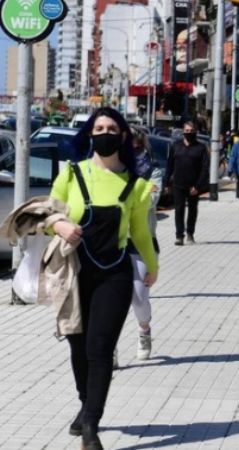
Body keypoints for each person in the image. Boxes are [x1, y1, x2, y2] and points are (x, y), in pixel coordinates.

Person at [50, 107, 158, 449]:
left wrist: (152, 266)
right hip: (74, 274)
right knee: (78, 346)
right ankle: (85, 403)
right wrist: (60, 224)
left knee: (100, 348)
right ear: (90, 134)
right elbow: (45, 213)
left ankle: (91, 426)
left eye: (112, 127)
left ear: (123, 135)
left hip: (115, 275)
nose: (105, 132)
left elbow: (140, 232)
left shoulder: (136, 185)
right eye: (99, 127)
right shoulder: (71, 173)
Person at [123, 130, 162, 363]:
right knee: (109, 302)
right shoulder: (113, 170)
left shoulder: (152, 171)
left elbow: (151, 200)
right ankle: (110, 348)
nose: (132, 154)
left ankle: (144, 329)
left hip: (141, 242)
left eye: (136, 149)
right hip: (112, 243)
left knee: (139, 297)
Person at [165, 120, 209, 246]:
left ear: (195, 132)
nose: (189, 133)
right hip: (178, 184)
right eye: (187, 131)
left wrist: (198, 186)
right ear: (183, 132)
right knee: (178, 210)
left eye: (191, 131)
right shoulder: (176, 146)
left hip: (194, 186)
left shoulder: (201, 148)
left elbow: (205, 169)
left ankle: (190, 233)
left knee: (192, 210)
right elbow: (169, 166)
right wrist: (167, 183)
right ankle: (179, 236)